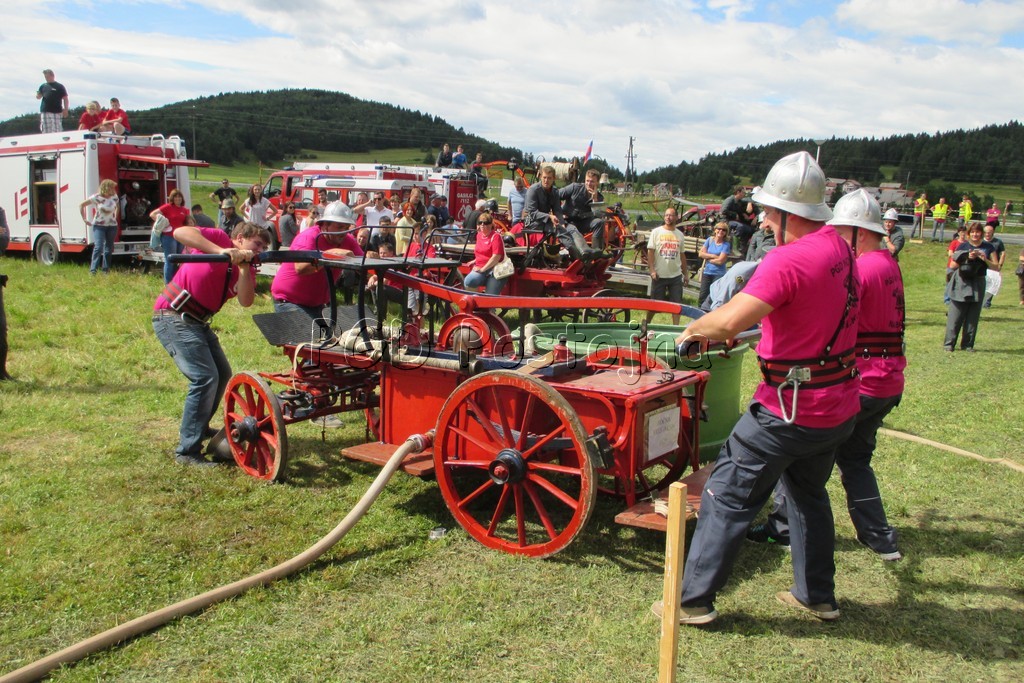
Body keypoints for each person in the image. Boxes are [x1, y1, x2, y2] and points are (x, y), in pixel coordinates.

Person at [659, 151, 858, 625]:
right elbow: (807, 313)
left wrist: (694, 331)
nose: (764, 221)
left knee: (726, 494)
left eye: (770, 211)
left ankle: (690, 601)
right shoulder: (841, 249)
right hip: (836, 406)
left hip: (787, 411)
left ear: (791, 212)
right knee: (808, 495)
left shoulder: (788, 260)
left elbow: (728, 321)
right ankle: (816, 596)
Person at [748, 189, 905, 562]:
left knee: (796, 456)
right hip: (887, 379)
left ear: (860, 233)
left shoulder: (863, 268)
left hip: (861, 380)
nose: (835, 239)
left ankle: (784, 529)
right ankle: (880, 538)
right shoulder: (888, 264)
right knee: (855, 461)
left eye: (842, 232)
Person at [153, 221, 269, 467]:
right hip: (173, 316)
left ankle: (199, 426)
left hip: (197, 322)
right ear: (240, 237)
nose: (260, 250)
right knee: (204, 377)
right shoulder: (217, 238)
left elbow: (246, 301)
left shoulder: (247, 267)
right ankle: (187, 452)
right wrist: (221, 251)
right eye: (257, 244)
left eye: (263, 247)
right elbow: (180, 232)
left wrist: (244, 268)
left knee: (222, 373)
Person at [270, 201, 363, 321]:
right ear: (325, 225)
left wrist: (375, 271)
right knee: (308, 333)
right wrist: (331, 255)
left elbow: (364, 263)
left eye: (346, 227)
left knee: (335, 332)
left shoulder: (348, 240)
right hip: (289, 301)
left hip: (317, 304)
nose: (344, 232)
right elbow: (301, 268)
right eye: (340, 227)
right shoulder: (309, 237)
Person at [944, 223, 997, 352]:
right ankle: (949, 344)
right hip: (962, 282)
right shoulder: (963, 246)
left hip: (978, 282)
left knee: (973, 317)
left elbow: (996, 267)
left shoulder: (988, 247)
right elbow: (952, 265)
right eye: (972, 232)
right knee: (955, 316)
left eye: (977, 232)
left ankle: (967, 345)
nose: (975, 234)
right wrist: (966, 256)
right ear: (968, 234)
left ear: (982, 233)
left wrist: (984, 258)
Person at [525, 165, 591, 260]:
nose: (546, 180)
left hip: (547, 221)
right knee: (559, 229)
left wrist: (562, 222)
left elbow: (557, 210)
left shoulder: (555, 191)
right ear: (540, 177)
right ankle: (578, 257)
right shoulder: (533, 190)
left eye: (549, 178)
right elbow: (532, 212)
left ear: (554, 178)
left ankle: (585, 251)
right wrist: (549, 216)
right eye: (544, 177)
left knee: (570, 227)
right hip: (533, 222)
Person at [645, 207, 687, 325]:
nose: (668, 217)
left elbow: (682, 255)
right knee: (654, 306)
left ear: (676, 217)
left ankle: (676, 329)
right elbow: (650, 252)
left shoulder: (680, 235)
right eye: (666, 215)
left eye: (671, 215)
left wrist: (686, 274)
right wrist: (652, 270)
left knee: (676, 305)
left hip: (675, 276)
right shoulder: (656, 232)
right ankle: (646, 324)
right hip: (659, 275)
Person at [151, 189, 191, 283]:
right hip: (169, 236)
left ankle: (177, 281)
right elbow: (152, 214)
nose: (178, 199)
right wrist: (162, 222)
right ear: (172, 198)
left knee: (179, 260)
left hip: (181, 237)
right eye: (176, 197)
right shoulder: (168, 207)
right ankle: (168, 283)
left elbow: (188, 222)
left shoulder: (185, 210)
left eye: (179, 197)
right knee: (170, 260)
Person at [80, 179, 119, 275]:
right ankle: (93, 270)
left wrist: (115, 216)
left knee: (109, 248)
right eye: (112, 187)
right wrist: (84, 219)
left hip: (112, 225)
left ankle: (106, 270)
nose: (113, 189)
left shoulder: (114, 196)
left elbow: (117, 206)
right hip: (99, 225)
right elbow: (81, 205)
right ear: (106, 187)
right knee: (99, 246)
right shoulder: (97, 197)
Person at [462, 212, 507, 295]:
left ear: (491, 224)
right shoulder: (479, 235)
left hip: (495, 270)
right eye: (480, 222)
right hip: (481, 267)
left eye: (485, 223)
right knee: (468, 281)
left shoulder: (496, 236)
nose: (482, 225)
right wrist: (475, 260)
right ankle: (476, 300)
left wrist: (482, 270)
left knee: (490, 297)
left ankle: (489, 289)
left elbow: (496, 257)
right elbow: (481, 252)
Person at [559, 169, 606, 248]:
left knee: (599, 222)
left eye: (592, 181)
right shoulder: (574, 187)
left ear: (597, 183)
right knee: (573, 229)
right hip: (567, 221)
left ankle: (596, 251)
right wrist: (558, 213)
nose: (589, 184)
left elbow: (598, 216)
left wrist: (595, 199)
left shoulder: (599, 197)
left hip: (583, 223)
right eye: (587, 181)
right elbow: (556, 195)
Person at [697, 222, 731, 307]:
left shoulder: (726, 245)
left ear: (726, 232)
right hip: (707, 272)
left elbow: (720, 261)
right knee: (702, 295)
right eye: (719, 229)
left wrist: (708, 258)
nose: (721, 231)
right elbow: (701, 254)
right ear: (715, 230)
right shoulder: (710, 240)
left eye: (724, 230)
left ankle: (711, 311)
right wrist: (713, 256)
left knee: (714, 296)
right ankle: (700, 310)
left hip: (718, 274)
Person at [722, 185, 756, 256]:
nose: (744, 194)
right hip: (725, 220)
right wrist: (734, 214)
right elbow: (723, 211)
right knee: (740, 226)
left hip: (732, 221)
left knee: (749, 229)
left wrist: (748, 205)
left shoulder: (738, 201)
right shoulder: (730, 200)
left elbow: (748, 199)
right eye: (743, 193)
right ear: (738, 192)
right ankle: (734, 248)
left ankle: (743, 247)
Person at [36, 69, 69, 133]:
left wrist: (66, 109)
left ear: (52, 76)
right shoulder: (43, 86)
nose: (46, 78)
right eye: (45, 77)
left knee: (57, 130)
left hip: (56, 111)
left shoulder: (59, 86)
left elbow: (65, 98)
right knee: (45, 130)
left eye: (48, 77)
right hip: (45, 111)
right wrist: (38, 95)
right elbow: (38, 96)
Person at [982, 224, 1006, 308]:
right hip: (982, 266)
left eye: (989, 232)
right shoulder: (981, 241)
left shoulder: (998, 242)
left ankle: (987, 302)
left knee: (992, 284)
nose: (987, 234)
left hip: (993, 267)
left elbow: (1003, 253)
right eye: (985, 232)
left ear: (992, 232)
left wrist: (1000, 265)